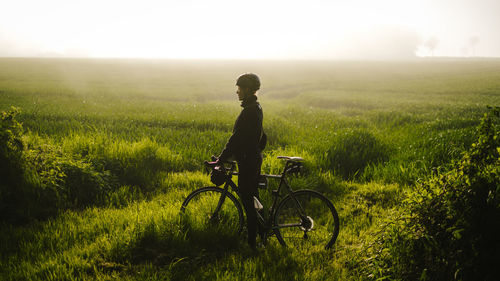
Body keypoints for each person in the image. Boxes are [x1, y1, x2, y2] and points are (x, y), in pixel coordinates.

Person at [215, 73, 266, 249]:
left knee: (247, 201)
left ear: (248, 90)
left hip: (248, 162)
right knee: (253, 199)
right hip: (252, 159)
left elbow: (236, 139)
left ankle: (252, 243)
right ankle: (263, 235)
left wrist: (221, 159)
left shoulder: (249, 111)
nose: (237, 92)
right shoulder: (255, 108)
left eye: (239, 89)